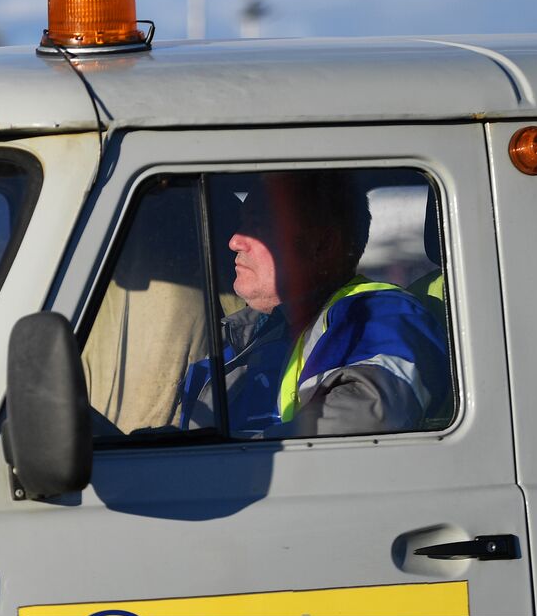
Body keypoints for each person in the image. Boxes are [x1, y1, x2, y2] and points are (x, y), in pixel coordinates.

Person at [179, 171, 449, 438]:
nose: (234, 241)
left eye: (259, 226)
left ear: (323, 245)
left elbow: (368, 416)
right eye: (242, 222)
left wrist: (240, 461)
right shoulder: (237, 340)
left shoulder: (378, 313)